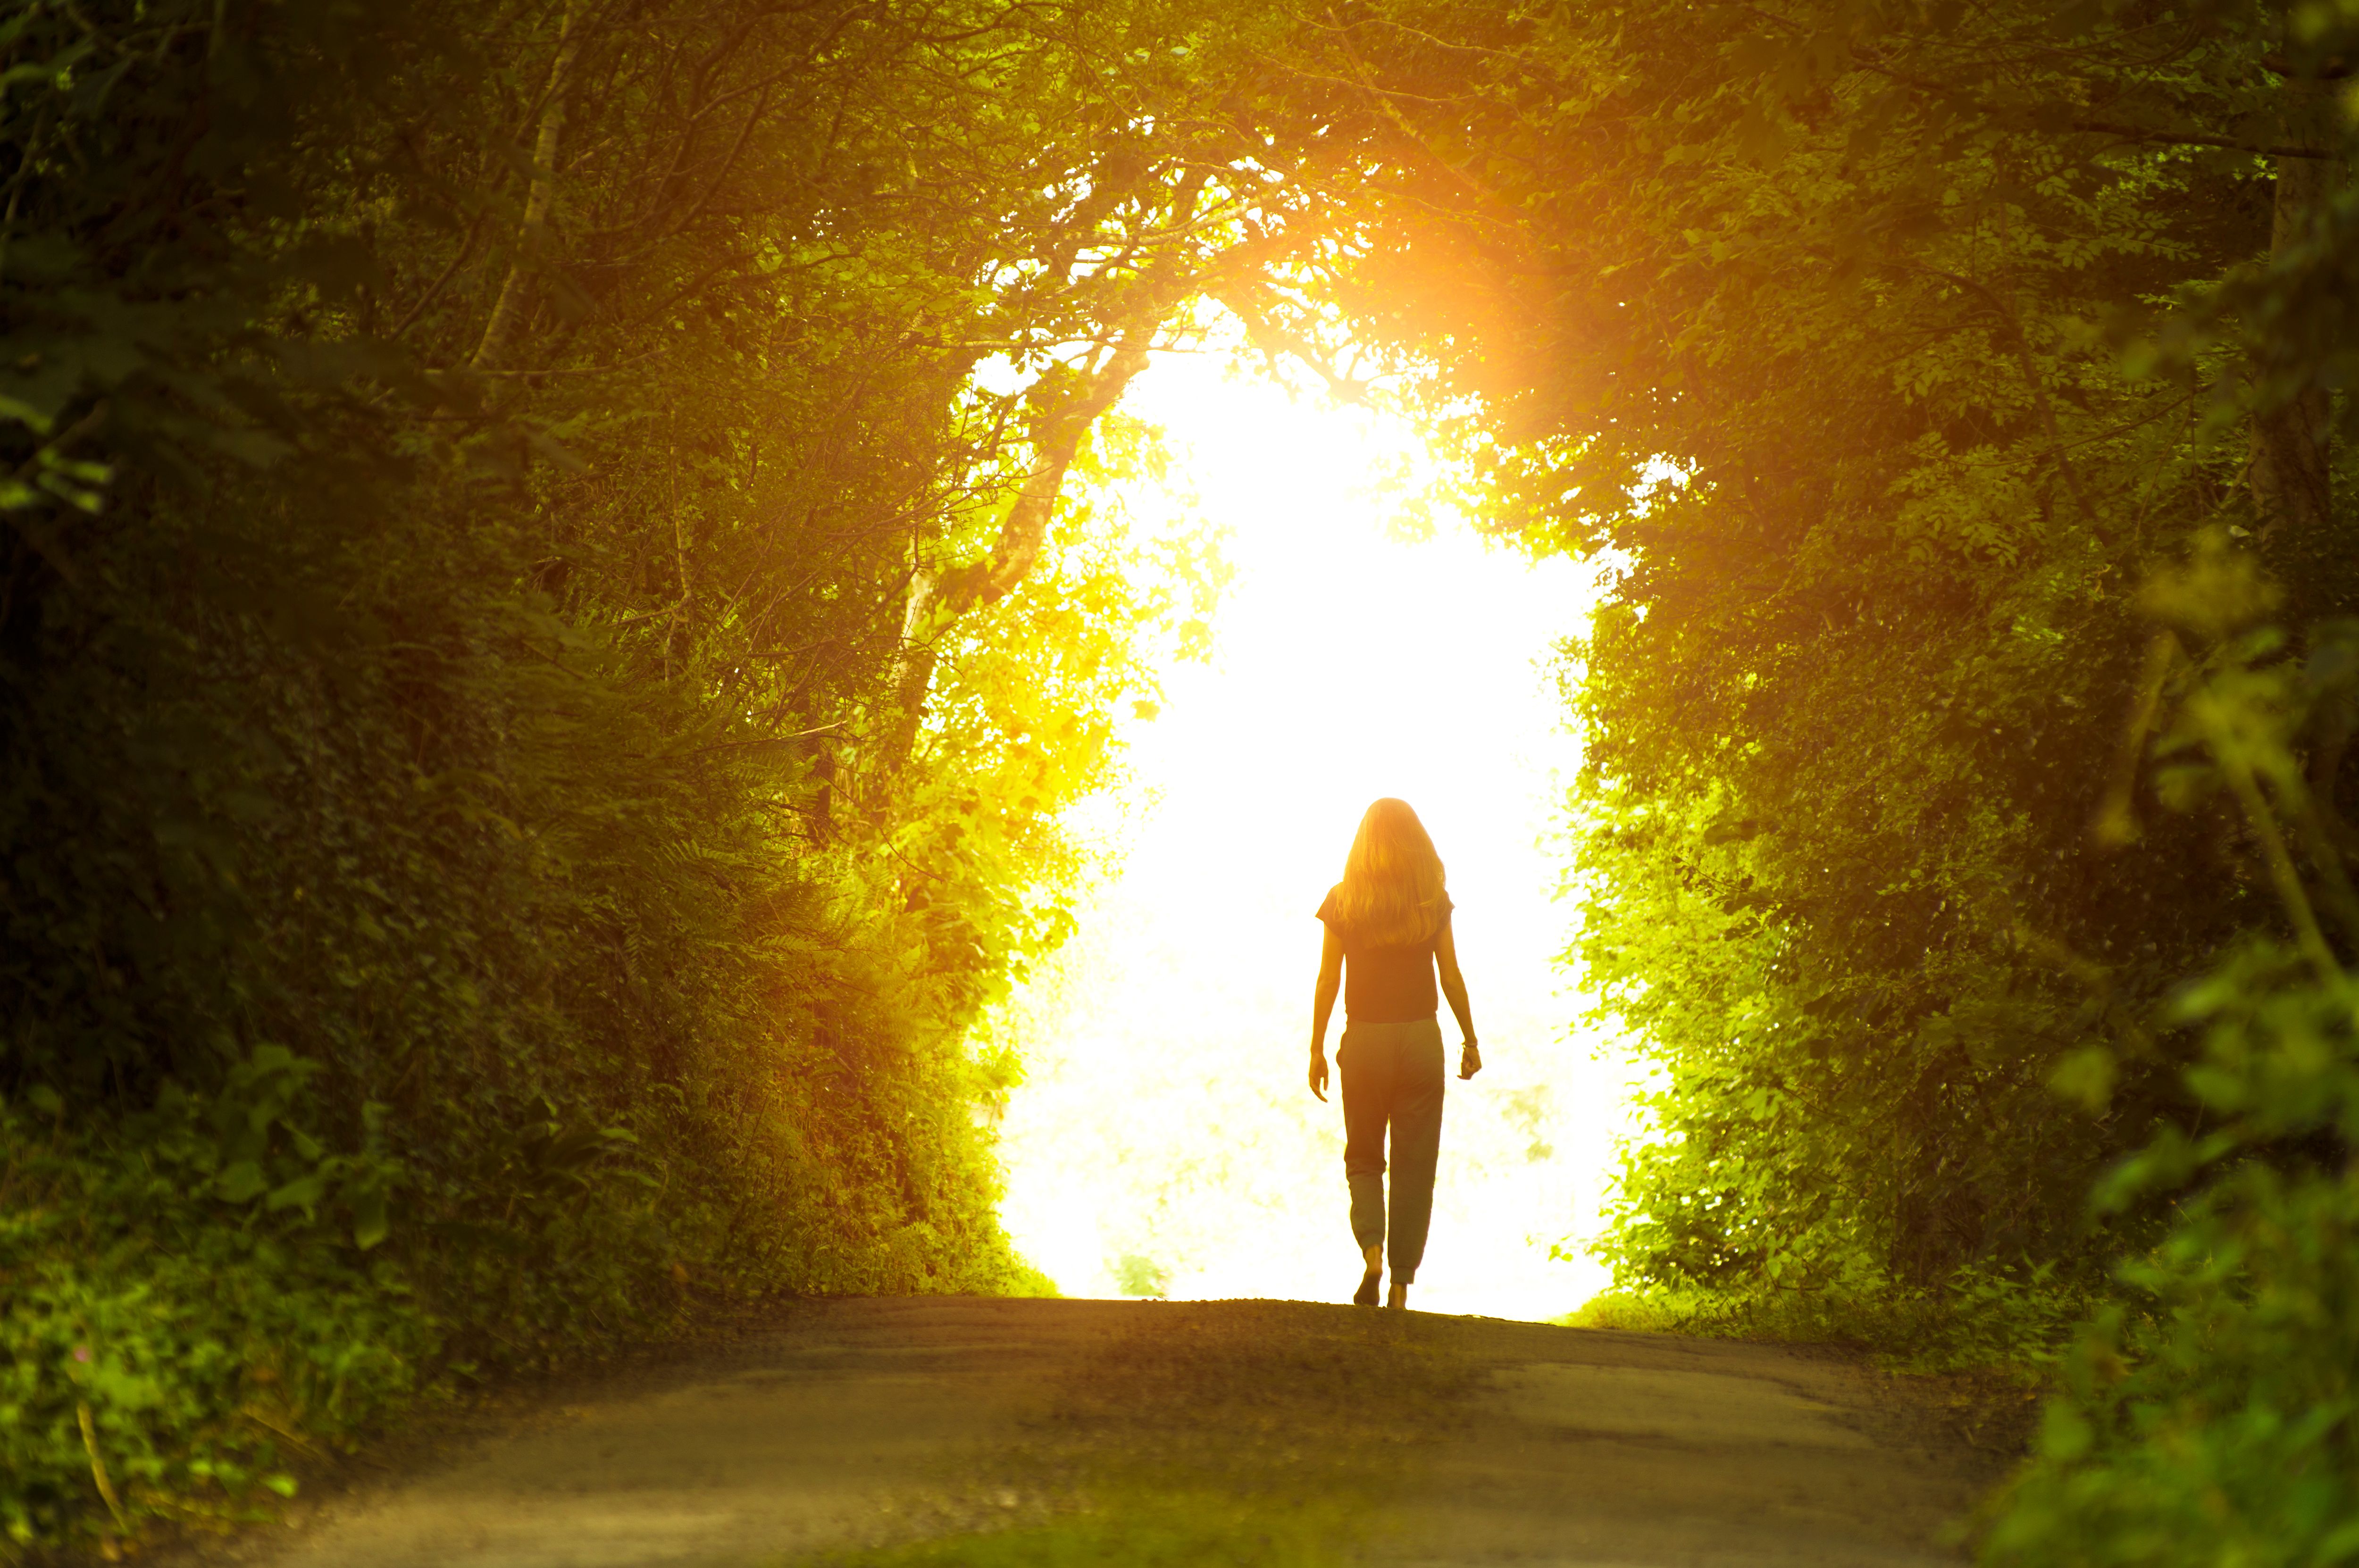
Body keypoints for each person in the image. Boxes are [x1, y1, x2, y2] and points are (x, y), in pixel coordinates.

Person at [1309, 797, 1479, 1311]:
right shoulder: (1431, 899)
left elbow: (1327, 979)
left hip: (1363, 1041)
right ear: (1415, 841)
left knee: (1363, 1157)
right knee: (1414, 1164)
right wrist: (1470, 1038)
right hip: (1420, 1043)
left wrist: (1316, 1047)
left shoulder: (1343, 900)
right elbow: (1449, 975)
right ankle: (1401, 1283)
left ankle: (1373, 1254)